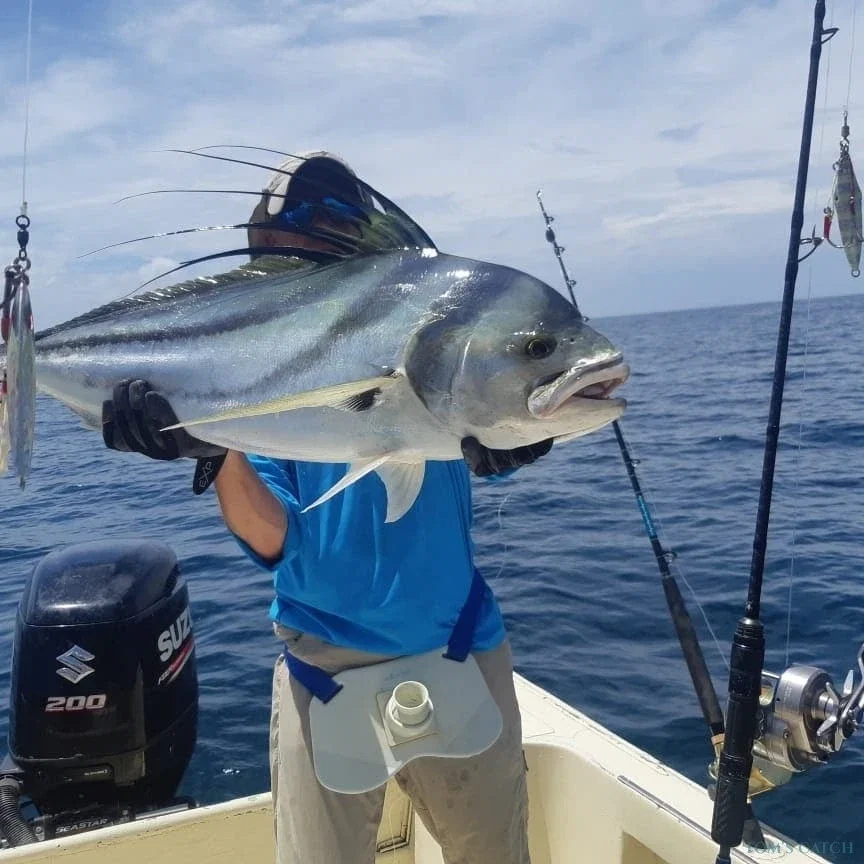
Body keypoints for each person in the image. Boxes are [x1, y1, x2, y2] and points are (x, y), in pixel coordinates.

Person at [101, 152, 553, 864]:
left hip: (462, 644)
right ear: (262, 243)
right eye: (298, 218)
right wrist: (213, 448)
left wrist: (515, 428)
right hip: (322, 670)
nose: (319, 230)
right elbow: (272, 539)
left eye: (339, 215)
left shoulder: (421, 326)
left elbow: (477, 408)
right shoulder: (247, 365)